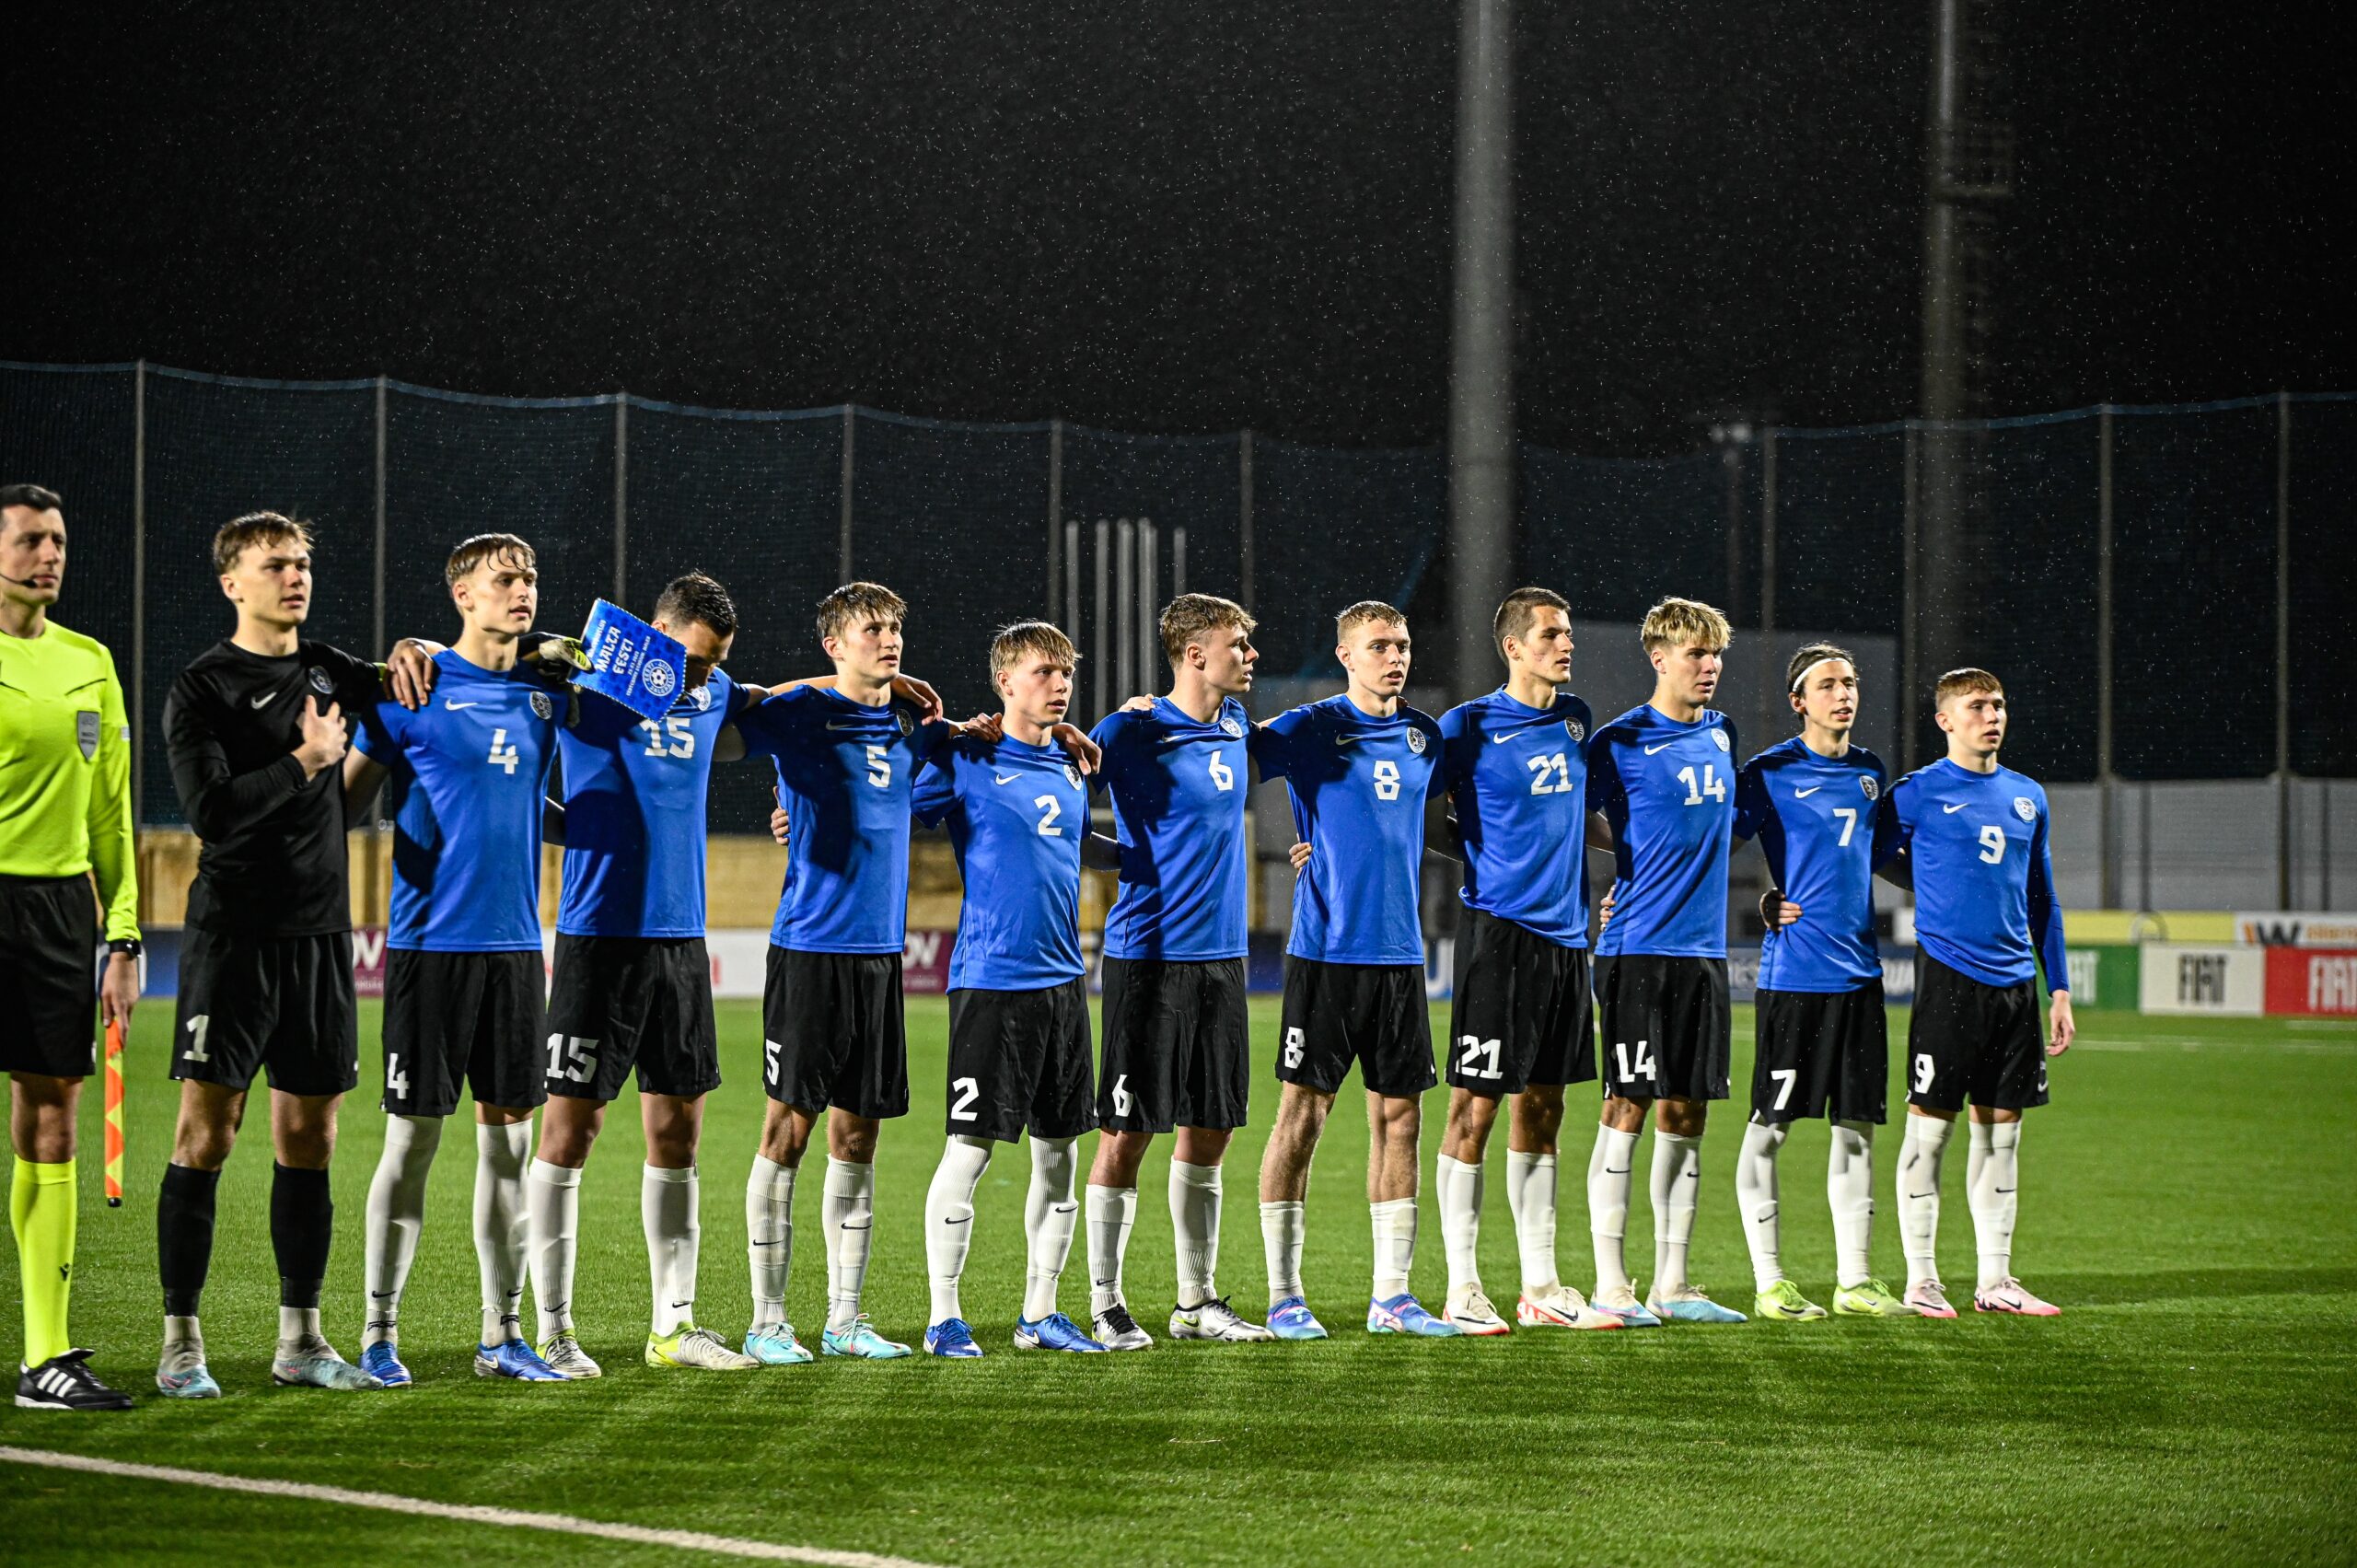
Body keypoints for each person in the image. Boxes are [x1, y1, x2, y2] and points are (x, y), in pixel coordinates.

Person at [156, 512, 438, 1397]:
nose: (296, 576)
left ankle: (302, 1339)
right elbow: (210, 812)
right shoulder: (200, 687)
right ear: (231, 582)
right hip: (233, 936)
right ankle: (181, 1340)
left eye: (304, 562)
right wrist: (307, 761)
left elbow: (407, 676)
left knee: (310, 1137)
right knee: (207, 1133)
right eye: (276, 564)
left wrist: (414, 646)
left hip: (320, 938)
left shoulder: (327, 669)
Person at [343, 534, 569, 1384]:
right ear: (461, 595)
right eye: (503, 578)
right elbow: (341, 805)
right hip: (429, 950)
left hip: (516, 952)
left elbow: (526, 796)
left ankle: (501, 1335)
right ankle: (378, 1332)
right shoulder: (411, 690)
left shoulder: (549, 692)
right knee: (411, 1143)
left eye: (530, 576)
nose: (522, 589)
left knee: (509, 1152)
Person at [732, 582, 963, 1362]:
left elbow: (977, 740)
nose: (889, 638)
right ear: (834, 644)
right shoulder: (802, 711)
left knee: (858, 1133)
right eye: (872, 628)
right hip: (810, 951)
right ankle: (768, 1320)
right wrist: (835, 684)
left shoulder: (909, 725)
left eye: (895, 627)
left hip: (879, 957)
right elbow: (734, 708)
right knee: (787, 1129)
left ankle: (844, 1319)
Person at [1252, 602, 1455, 1341]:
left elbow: (1437, 823)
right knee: (1302, 1117)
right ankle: (1284, 1295)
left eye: (1402, 644)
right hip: (1326, 954)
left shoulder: (1424, 736)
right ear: (1345, 655)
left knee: (1402, 1118)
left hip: (1401, 956)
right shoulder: (1309, 728)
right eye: (1378, 646)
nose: (1395, 657)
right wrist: (1157, 711)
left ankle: (1392, 1296)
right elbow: (1224, 755)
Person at [1083, 594, 1278, 1349]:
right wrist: (1125, 857)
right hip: (1147, 957)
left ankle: (1196, 1300)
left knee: (1211, 1126)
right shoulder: (1129, 730)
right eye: (1239, 644)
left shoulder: (1236, 724)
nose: (1251, 655)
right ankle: (1106, 1301)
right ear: (1195, 654)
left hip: (1223, 960)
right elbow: (1055, 805)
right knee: (1127, 1130)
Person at [911, 621, 1109, 1357]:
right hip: (991, 982)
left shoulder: (1072, 763)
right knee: (969, 1149)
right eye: (1043, 671)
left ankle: (1040, 1313)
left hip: (1064, 985)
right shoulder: (968, 757)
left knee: (1059, 1156)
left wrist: (1157, 857)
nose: (1060, 684)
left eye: (1066, 671)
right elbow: (888, 805)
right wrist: (794, 814)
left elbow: (1074, 843)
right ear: (1004, 682)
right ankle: (944, 1316)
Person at [1428, 587, 1622, 1335]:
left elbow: (1580, 812)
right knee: (1474, 1106)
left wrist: (1640, 850)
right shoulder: (1467, 724)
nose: (1566, 644)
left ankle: (1540, 1284)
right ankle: (1463, 1285)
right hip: (1499, 936)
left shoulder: (1577, 718)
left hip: (1568, 941)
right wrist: (1481, 851)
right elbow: (1421, 808)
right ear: (1513, 646)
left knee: (1544, 1106)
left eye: (1567, 632)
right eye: (1550, 634)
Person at [0, 483, 140, 1410]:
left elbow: (111, 814)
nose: (47, 554)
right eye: (28, 540)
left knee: (51, 1114)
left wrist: (122, 931)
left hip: (57, 912)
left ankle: (45, 1355)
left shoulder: (90, 662)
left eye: (56, 540)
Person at [1728, 643, 1910, 1320]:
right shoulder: (1767, 772)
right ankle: (1770, 1282)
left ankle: (1855, 1281)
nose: (1844, 694)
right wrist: (1760, 902)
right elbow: (1712, 847)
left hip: (1860, 979)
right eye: (1828, 684)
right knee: (1770, 1129)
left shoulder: (1870, 772)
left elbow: (1880, 857)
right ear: (1798, 701)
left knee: (1857, 1130)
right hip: (1795, 978)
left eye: (1851, 682)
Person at [1886, 668, 2074, 1318]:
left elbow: (2043, 899)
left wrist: (2059, 988)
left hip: (2016, 987)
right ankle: (1921, 1279)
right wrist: (1931, 880)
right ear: (1945, 720)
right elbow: (1869, 857)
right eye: (1976, 706)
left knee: (2001, 1136)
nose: (1991, 716)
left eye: (1998, 705)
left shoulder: (2027, 796)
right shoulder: (1917, 792)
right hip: (1949, 981)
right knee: (1929, 1133)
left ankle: (1996, 1280)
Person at [1583, 597, 1747, 1326]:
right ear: (1659, 658)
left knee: (1688, 1109)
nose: (1709, 666)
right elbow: (1566, 816)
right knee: (1627, 1105)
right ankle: (1611, 1282)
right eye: (1695, 653)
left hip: (1703, 952)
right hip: (1637, 948)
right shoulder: (1618, 741)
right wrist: (1625, 858)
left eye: (1715, 654)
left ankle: (1672, 1283)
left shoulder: (1722, 733)